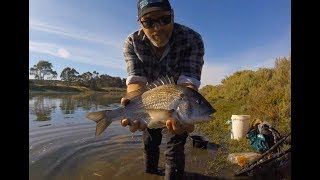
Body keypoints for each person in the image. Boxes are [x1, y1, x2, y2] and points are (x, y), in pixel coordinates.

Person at [120, 0, 205, 179]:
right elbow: (136, 82)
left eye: (164, 19)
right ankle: (149, 173)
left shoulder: (192, 39)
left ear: (172, 15)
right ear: (140, 22)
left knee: (175, 146)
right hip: (149, 100)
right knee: (150, 143)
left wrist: (186, 115)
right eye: (149, 22)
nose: (157, 28)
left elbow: (188, 84)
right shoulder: (132, 42)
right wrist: (131, 104)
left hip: (176, 101)